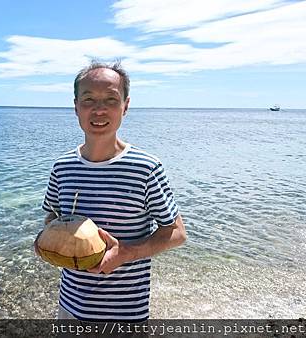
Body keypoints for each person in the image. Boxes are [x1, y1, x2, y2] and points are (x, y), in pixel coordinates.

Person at [35, 61, 187, 322]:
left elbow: (176, 233)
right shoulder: (62, 167)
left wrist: (125, 253)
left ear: (125, 106)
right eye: (89, 99)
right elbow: (52, 218)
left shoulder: (146, 168)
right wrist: (46, 242)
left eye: (110, 100)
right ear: (76, 106)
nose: (99, 109)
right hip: (69, 306)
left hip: (125, 314)